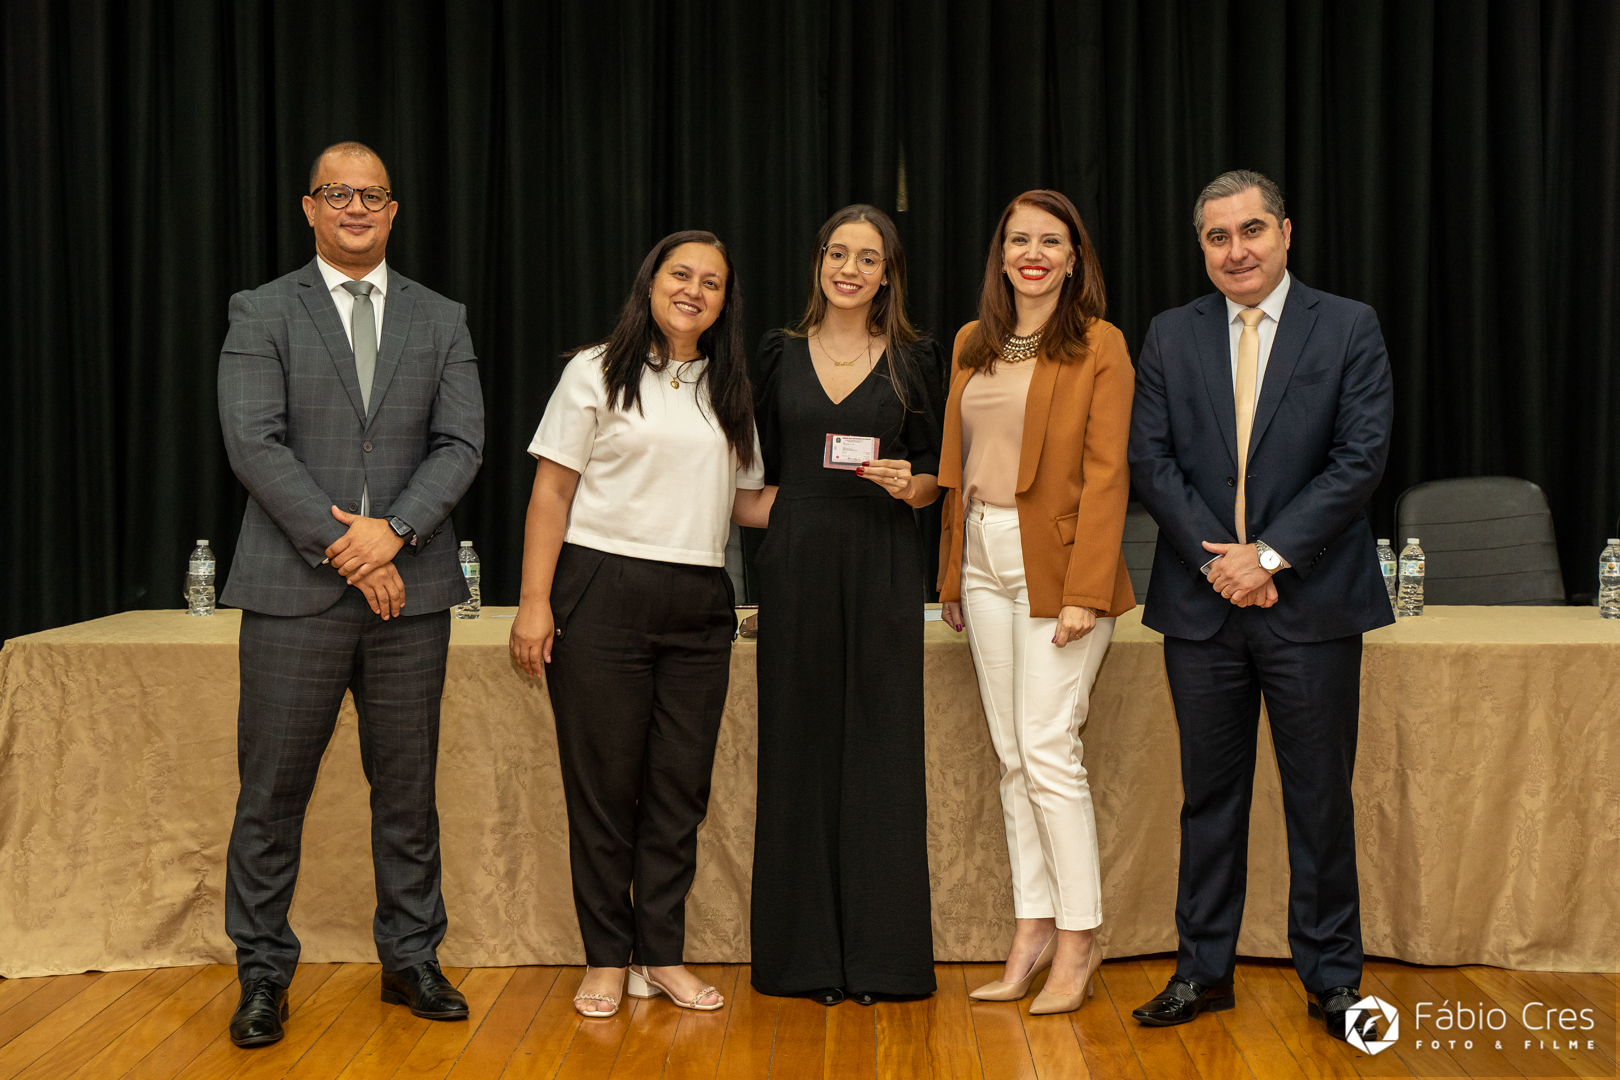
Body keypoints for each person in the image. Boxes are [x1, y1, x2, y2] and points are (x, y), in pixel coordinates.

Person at [217, 142, 484, 1048]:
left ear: (393, 210)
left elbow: (462, 443)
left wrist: (394, 533)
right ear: (310, 207)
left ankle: (411, 959)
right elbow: (253, 443)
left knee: (407, 792)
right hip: (293, 591)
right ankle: (262, 973)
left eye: (372, 195)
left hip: (412, 593)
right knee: (271, 797)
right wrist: (349, 548)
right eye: (339, 193)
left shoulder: (441, 317)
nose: (356, 208)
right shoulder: (261, 310)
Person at [1126, 170, 1394, 1041]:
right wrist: (1225, 566)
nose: (1235, 250)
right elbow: (1150, 460)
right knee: (1208, 799)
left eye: (1250, 231)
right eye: (1217, 237)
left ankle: (1333, 982)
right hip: (1203, 606)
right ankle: (1202, 971)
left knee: (1320, 802)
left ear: (1285, 233)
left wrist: (1269, 557)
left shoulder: (1347, 325)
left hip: (1312, 606)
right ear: (1201, 247)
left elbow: (1359, 458)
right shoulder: (1170, 334)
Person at [509, 230, 770, 1019]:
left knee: (678, 790)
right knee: (604, 789)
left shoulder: (730, 388)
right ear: (650, 283)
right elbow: (551, 493)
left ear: (725, 302)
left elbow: (747, 503)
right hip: (600, 592)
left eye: (712, 282)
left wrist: (847, 491)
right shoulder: (595, 370)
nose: (694, 290)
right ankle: (604, 958)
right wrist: (534, 602)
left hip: (700, 601)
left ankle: (660, 956)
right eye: (680, 274)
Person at [935, 190, 1136, 1015]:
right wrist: (953, 572)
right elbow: (959, 467)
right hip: (982, 555)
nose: (1034, 254)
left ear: (1074, 258)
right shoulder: (971, 343)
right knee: (1014, 755)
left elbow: (1109, 474)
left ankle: (1080, 938)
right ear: (1002, 253)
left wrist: (1087, 590)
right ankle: (1032, 929)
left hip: (1057, 562)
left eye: (1051, 241)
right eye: (1019, 239)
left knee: (1049, 750)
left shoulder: (1099, 344)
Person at [749, 204, 945, 1006]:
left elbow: (935, 475)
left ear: (887, 274)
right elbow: (751, 472)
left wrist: (911, 486)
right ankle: (801, 963)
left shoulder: (915, 359)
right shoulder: (776, 353)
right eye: (839, 253)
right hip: (795, 565)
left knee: (881, 752)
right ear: (819, 263)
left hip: (882, 564)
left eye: (868, 258)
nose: (850, 269)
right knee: (796, 749)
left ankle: (882, 963)